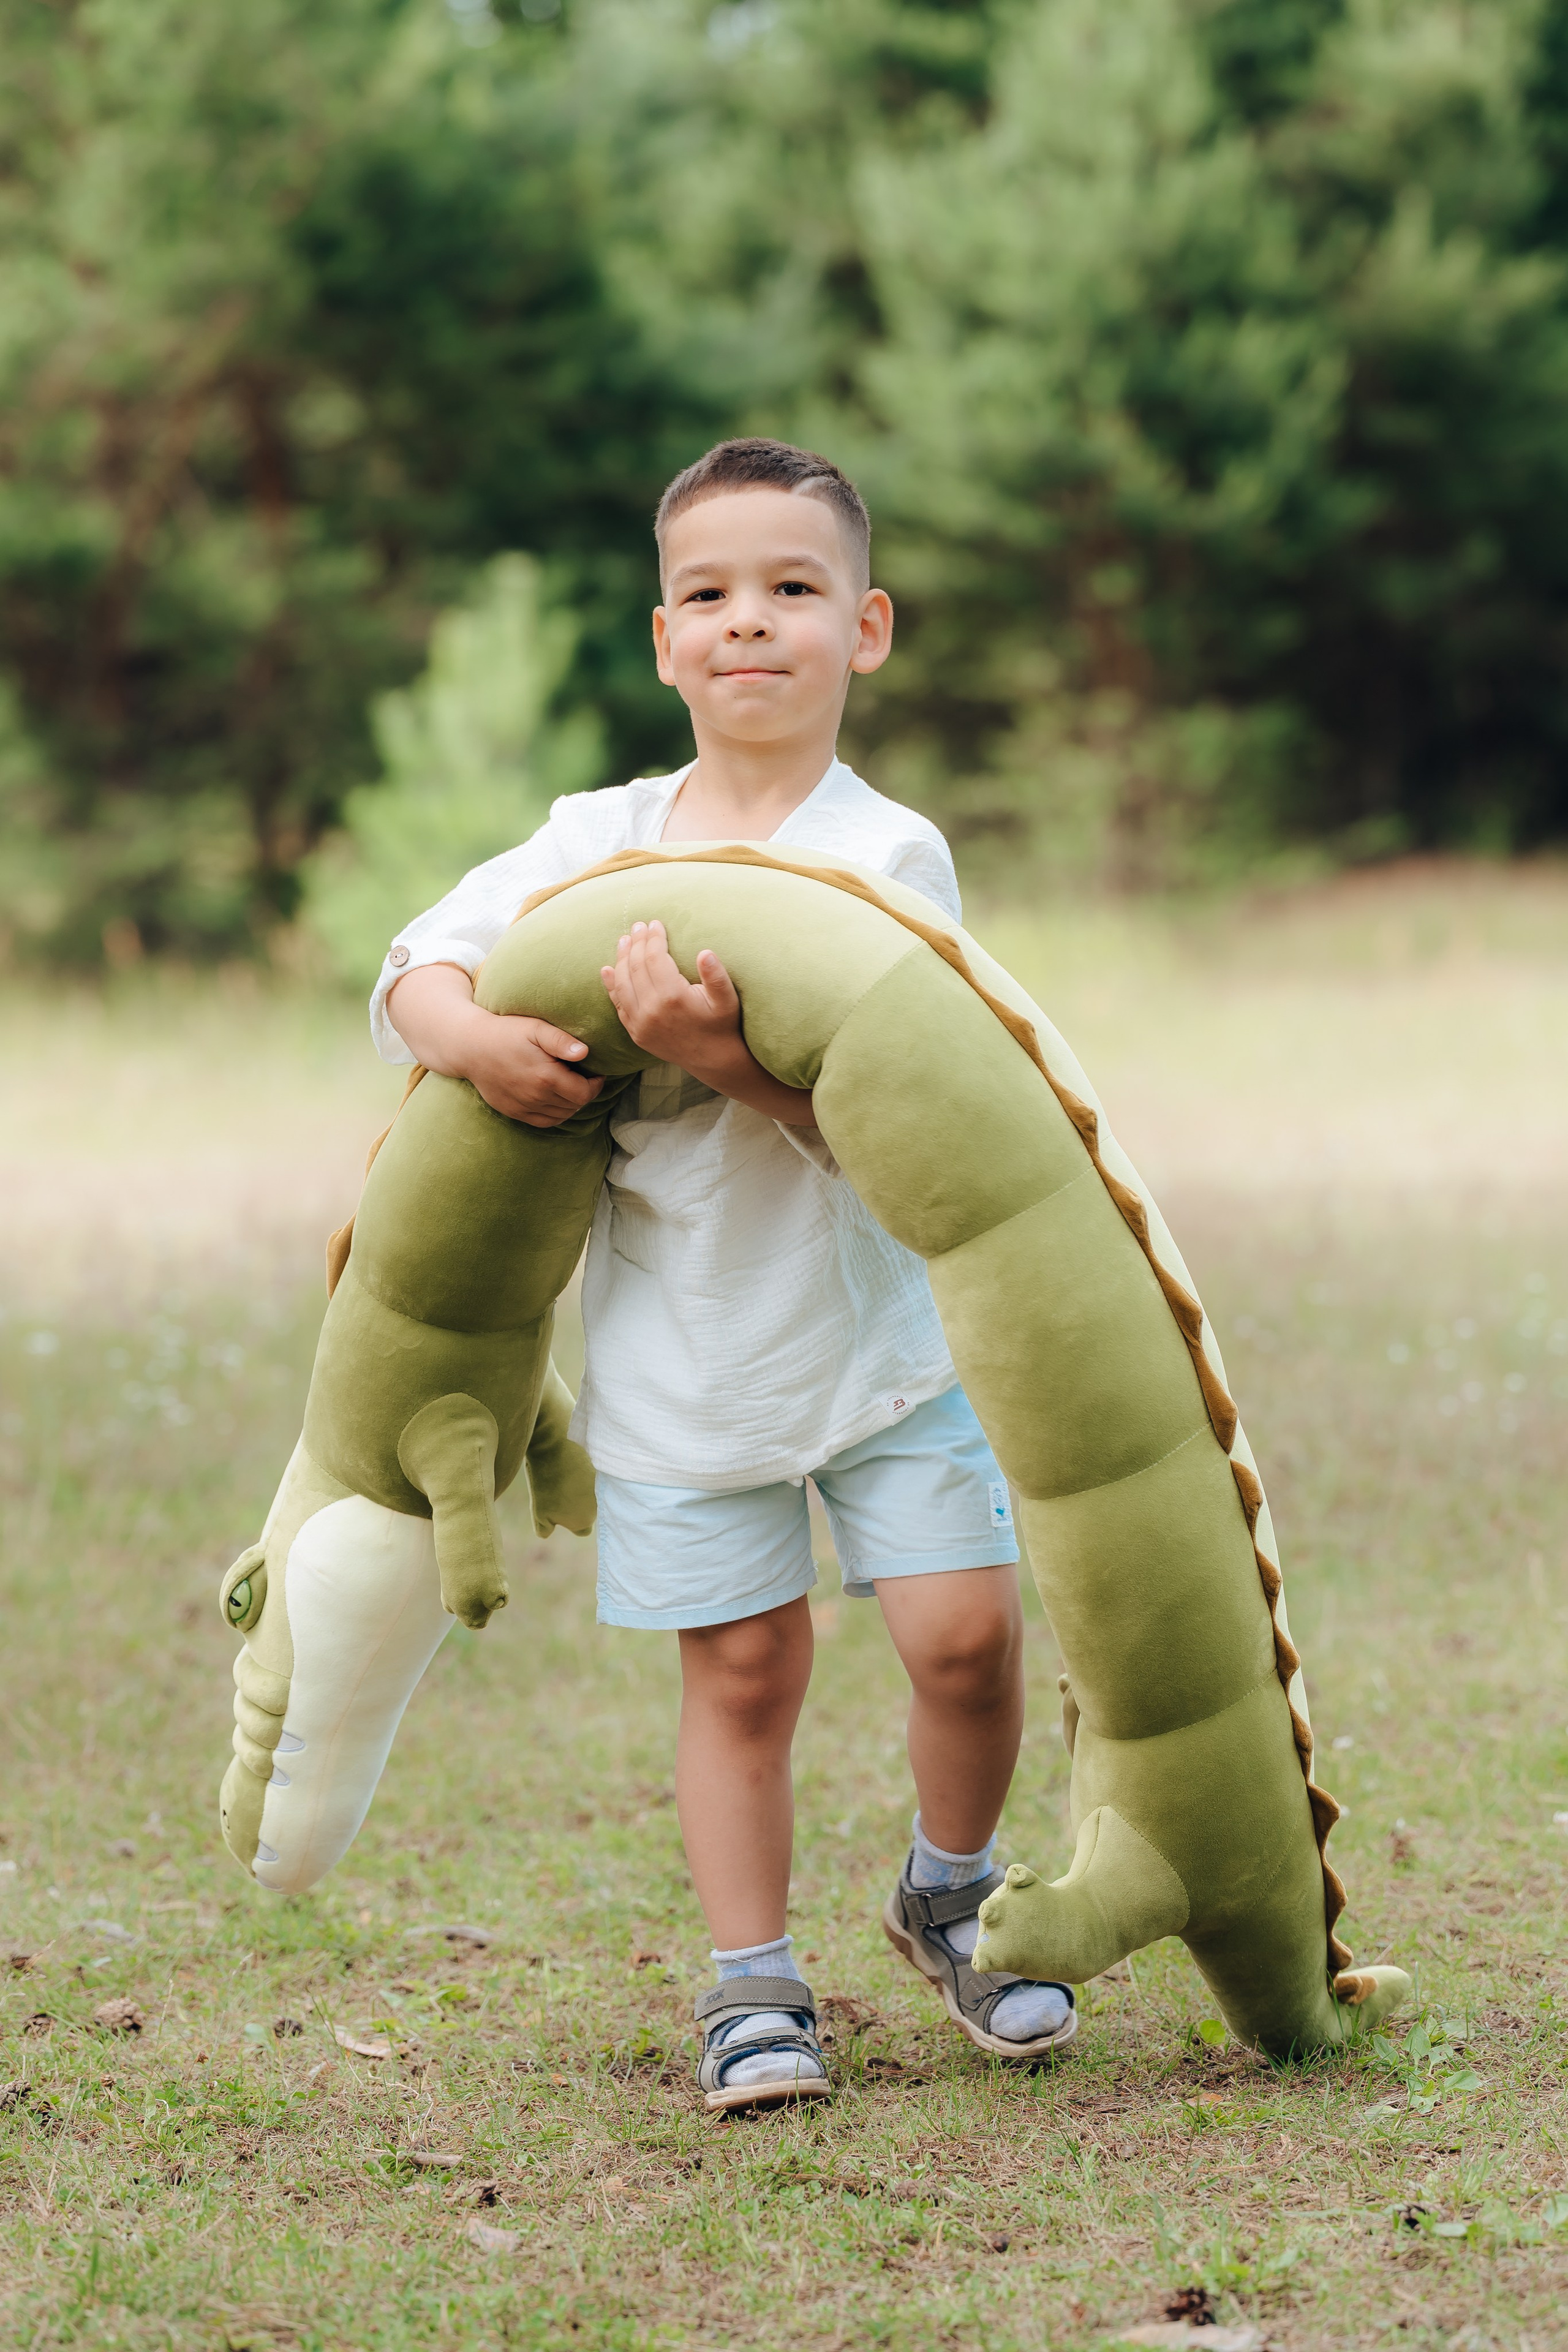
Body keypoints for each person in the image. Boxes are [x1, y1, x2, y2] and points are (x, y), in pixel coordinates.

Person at [376, 438, 1076, 2109]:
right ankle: (754, 1985)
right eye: (708, 593)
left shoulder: (889, 857)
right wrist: (477, 1041)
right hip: (685, 1346)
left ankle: (952, 1894)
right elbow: (418, 962)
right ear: (664, 640)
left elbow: (902, 1126)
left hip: (885, 1336)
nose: (747, 620)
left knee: (967, 1642)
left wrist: (721, 1058)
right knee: (744, 1669)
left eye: (792, 587)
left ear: (867, 629)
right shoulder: (598, 838)